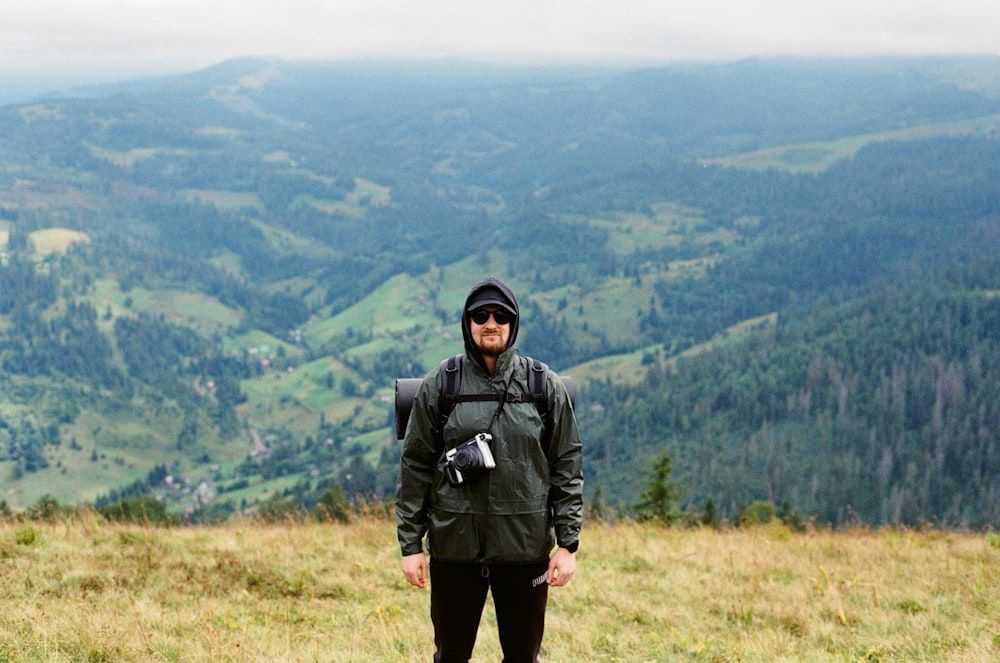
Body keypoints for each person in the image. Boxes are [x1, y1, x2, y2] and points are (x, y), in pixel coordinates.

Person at [396, 276, 583, 663]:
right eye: (480, 315)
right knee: (451, 656)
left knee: (522, 657)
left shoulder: (542, 385)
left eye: (501, 315)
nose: (490, 322)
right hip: (454, 550)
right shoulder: (440, 386)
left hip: (525, 550)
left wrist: (567, 544)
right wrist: (410, 546)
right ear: (467, 323)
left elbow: (566, 464)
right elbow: (415, 466)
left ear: (514, 324)